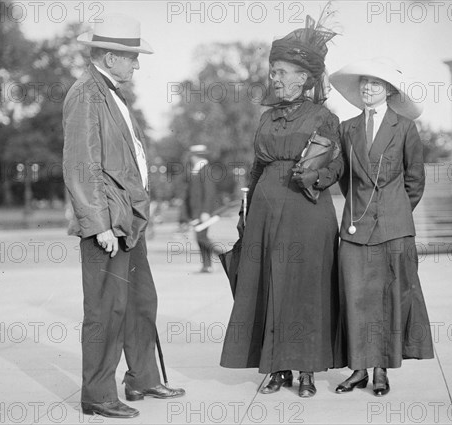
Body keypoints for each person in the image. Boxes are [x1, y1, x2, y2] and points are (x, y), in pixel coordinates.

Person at [62, 14, 184, 419]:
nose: (136, 64)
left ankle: (142, 378)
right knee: (106, 310)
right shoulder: (86, 94)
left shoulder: (111, 93)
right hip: (109, 225)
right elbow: (82, 165)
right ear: (111, 56)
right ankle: (97, 395)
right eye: (131, 57)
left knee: (140, 302)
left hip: (128, 219)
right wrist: (99, 226)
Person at [220, 15, 344, 398]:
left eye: (284, 72)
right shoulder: (266, 117)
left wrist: (317, 179)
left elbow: (337, 165)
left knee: (306, 287)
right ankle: (276, 368)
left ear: (306, 78)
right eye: (273, 71)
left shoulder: (323, 116)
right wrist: (244, 214)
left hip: (308, 211)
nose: (275, 79)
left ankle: (307, 369)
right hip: (264, 213)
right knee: (266, 285)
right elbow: (257, 168)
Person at [329, 58, 434, 396]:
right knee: (355, 298)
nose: (368, 88)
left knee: (388, 300)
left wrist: (393, 211)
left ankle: (380, 371)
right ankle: (357, 369)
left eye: (376, 83)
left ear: (389, 89)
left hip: (394, 228)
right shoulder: (347, 128)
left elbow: (415, 180)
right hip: (356, 229)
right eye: (364, 83)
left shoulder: (404, 127)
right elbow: (346, 182)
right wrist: (362, 211)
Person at [184, 144, 219, 273]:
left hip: (202, 212)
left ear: (196, 156)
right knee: (200, 237)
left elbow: (209, 192)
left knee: (201, 237)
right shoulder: (197, 170)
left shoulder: (205, 169)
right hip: (197, 212)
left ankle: (224, 255)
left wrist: (205, 211)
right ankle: (207, 264)